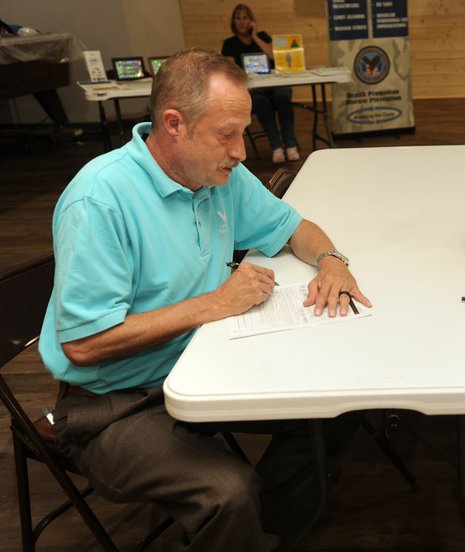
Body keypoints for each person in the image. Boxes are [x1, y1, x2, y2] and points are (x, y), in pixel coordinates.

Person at [39, 47, 371, 550]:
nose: (240, 150)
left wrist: (332, 260)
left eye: (242, 130)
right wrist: (216, 303)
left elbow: (294, 228)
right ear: (174, 124)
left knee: (338, 407)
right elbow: (84, 344)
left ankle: (265, 532)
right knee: (228, 493)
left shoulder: (216, 177)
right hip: (113, 406)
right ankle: (248, 525)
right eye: (226, 134)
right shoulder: (100, 199)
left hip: (199, 367)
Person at [221, 3, 299, 163]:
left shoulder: (263, 36)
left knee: (283, 96)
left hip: (273, 84)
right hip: (252, 88)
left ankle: (291, 144)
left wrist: (255, 35)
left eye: (245, 18)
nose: (242, 21)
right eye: (238, 18)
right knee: (260, 102)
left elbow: (273, 56)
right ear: (234, 22)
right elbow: (229, 67)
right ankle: (276, 146)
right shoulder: (229, 43)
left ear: (251, 21)